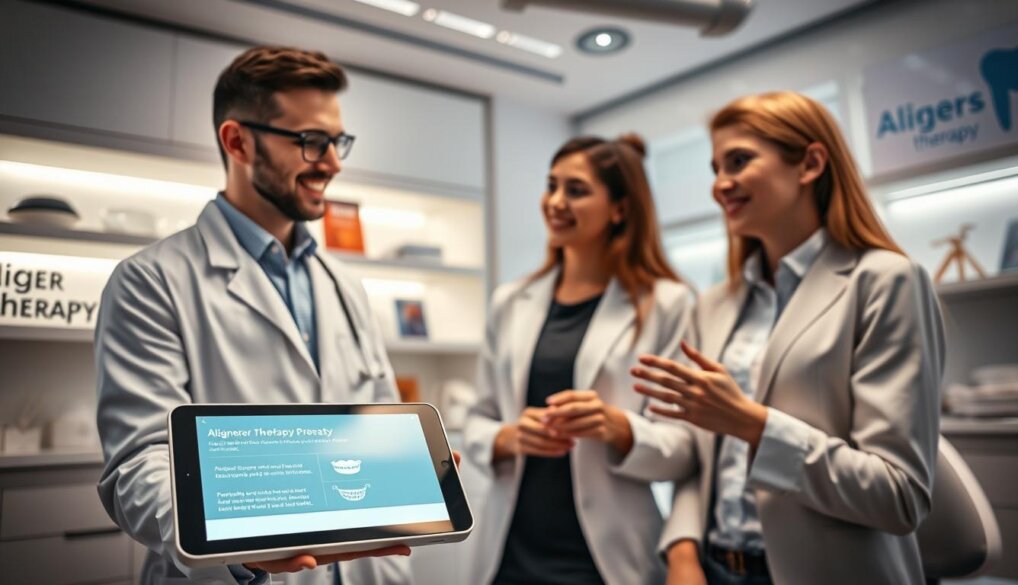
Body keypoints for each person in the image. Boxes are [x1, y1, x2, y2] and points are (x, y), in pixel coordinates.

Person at [95, 46, 413, 585]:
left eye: (338, 143)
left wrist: (409, 469)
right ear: (237, 140)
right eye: (313, 142)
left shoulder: (346, 285)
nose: (333, 163)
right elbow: (139, 466)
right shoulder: (150, 281)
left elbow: (377, 422)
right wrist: (237, 545)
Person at [631, 91, 946, 585]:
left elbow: (899, 495)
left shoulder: (885, 281)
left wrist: (754, 425)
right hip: (715, 569)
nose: (720, 184)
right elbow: (701, 458)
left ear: (811, 164)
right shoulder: (715, 304)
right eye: (715, 167)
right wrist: (683, 549)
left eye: (739, 161)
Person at [464, 134, 698, 585]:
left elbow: (685, 450)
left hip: (605, 560)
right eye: (551, 186)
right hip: (509, 555)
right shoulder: (510, 301)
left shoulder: (669, 304)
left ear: (620, 208)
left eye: (576, 190)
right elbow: (476, 420)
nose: (555, 201)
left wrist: (618, 427)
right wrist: (510, 437)